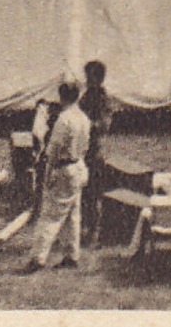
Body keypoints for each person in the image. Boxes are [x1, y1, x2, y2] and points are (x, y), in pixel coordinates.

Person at [23, 79, 92, 274]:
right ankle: (72, 255)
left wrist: (48, 174)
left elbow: (53, 150)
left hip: (64, 168)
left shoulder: (64, 119)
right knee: (72, 215)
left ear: (61, 97)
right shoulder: (83, 118)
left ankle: (37, 258)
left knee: (50, 216)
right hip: (79, 165)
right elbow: (86, 146)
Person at [80, 60, 115, 244]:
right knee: (83, 191)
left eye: (89, 77)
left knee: (93, 192)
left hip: (95, 151)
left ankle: (94, 230)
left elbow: (104, 125)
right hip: (82, 149)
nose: (86, 80)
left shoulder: (103, 99)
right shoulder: (86, 96)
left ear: (98, 79)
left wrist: (84, 123)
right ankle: (84, 226)